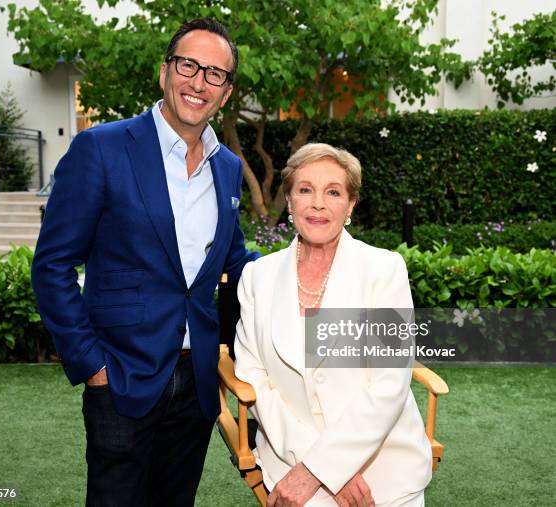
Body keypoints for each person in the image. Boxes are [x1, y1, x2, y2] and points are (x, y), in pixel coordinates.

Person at [31, 18, 258, 506]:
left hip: (195, 380)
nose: (199, 82)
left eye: (214, 74)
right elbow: (51, 264)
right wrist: (93, 365)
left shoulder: (228, 167)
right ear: (164, 72)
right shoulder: (102, 148)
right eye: (188, 66)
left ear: (226, 92)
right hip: (121, 377)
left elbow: (235, 256)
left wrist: (308, 264)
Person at [234, 143, 432, 507]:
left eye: (334, 192)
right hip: (289, 458)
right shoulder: (256, 277)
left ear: (351, 204)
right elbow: (253, 379)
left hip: (383, 472)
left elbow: (389, 385)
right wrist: (314, 465)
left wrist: (324, 468)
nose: (318, 204)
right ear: (290, 201)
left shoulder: (383, 271)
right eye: (305, 189)